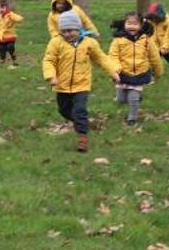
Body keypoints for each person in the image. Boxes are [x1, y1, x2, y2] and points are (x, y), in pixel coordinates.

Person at [43, 11, 120, 152]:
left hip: (82, 85)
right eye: (64, 31)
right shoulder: (56, 43)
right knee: (64, 110)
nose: (68, 34)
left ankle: (83, 137)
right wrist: (51, 76)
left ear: (79, 29)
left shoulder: (89, 43)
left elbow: (101, 58)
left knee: (79, 110)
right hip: (62, 85)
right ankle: (80, 122)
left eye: (71, 30)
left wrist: (113, 71)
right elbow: (49, 60)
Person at [108, 11, 163, 125]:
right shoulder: (118, 40)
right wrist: (116, 69)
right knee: (121, 99)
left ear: (141, 26)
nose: (132, 26)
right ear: (124, 24)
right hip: (122, 73)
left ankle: (132, 118)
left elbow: (154, 56)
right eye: (129, 23)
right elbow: (113, 56)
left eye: (135, 24)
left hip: (140, 73)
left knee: (133, 98)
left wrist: (158, 71)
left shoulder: (146, 40)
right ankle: (135, 98)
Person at [144, 2, 169, 70]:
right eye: (152, 17)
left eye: (156, 17)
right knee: (154, 58)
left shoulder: (168, 23)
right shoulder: (151, 22)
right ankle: (153, 69)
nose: (154, 19)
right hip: (156, 45)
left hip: (167, 46)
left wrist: (167, 45)